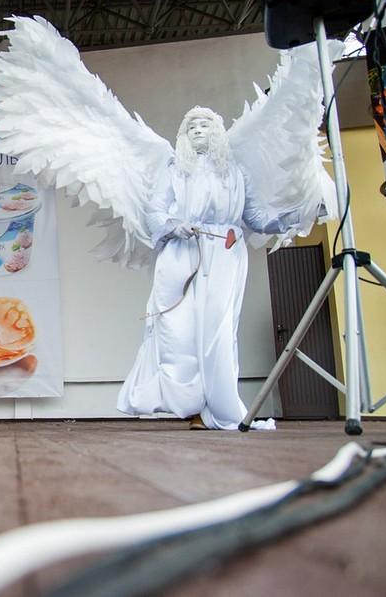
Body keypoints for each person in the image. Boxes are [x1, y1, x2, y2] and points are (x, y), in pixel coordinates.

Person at [117, 108, 299, 430]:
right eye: (191, 126)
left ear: (218, 130)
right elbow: (155, 211)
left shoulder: (236, 173)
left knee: (217, 331)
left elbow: (256, 217)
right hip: (181, 252)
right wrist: (174, 225)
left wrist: (296, 216)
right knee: (178, 330)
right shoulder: (174, 171)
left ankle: (215, 409)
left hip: (224, 253)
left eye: (205, 124)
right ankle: (189, 405)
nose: (198, 130)